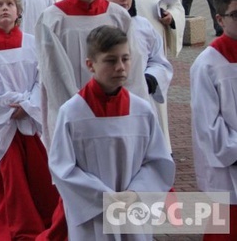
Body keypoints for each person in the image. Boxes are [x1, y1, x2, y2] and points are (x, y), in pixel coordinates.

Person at [49, 25, 175, 240]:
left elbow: (158, 161)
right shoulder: (72, 112)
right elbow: (62, 168)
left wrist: (136, 193)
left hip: (133, 209)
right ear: (90, 64)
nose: (120, 67)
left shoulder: (141, 110)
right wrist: (105, 198)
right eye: (110, 60)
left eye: (125, 59)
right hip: (94, 216)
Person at [35, 0, 147, 150]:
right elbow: (54, 75)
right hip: (74, 115)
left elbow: (133, 67)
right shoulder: (53, 18)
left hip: (115, 112)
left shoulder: (118, 15)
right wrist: (80, 111)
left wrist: (130, 109)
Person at [0, 0, 58, 240]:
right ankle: (22, 227)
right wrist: (15, 105)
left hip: (31, 121)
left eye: (9, 4)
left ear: (18, 11)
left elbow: (43, 80)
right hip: (3, 126)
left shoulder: (32, 44)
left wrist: (28, 106)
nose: (4, 8)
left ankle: (50, 220)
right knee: (15, 178)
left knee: (41, 175)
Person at [102, 0, 175, 151]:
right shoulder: (95, 26)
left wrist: (152, 78)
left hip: (140, 98)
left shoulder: (143, 26)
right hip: (105, 104)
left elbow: (159, 60)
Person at [190, 0, 237, 239]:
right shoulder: (207, 64)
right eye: (236, 15)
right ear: (219, 19)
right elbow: (208, 124)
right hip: (229, 167)